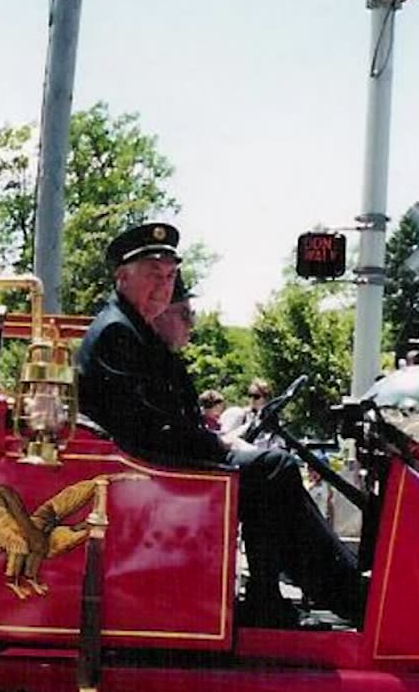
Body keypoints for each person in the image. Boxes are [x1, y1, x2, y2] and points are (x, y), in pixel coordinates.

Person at [75, 221, 361, 627]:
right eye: (153, 275)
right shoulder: (118, 334)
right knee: (273, 469)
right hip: (144, 482)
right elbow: (152, 432)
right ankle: (338, 594)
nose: (164, 285)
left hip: (151, 472)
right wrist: (223, 448)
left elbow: (165, 421)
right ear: (122, 276)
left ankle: (308, 589)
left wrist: (217, 439)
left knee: (269, 464)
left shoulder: (134, 330)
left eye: (170, 275)